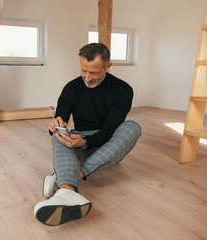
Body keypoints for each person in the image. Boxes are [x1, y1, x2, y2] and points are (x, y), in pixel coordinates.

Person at [34, 43, 141, 226]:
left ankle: (62, 179)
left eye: (94, 73)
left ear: (108, 67)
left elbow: (108, 131)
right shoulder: (72, 88)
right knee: (59, 136)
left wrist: (85, 142)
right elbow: (61, 117)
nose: (87, 77)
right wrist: (55, 125)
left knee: (132, 127)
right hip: (79, 138)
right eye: (84, 71)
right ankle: (67, 190)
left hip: (108, 141)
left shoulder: (123, 90)